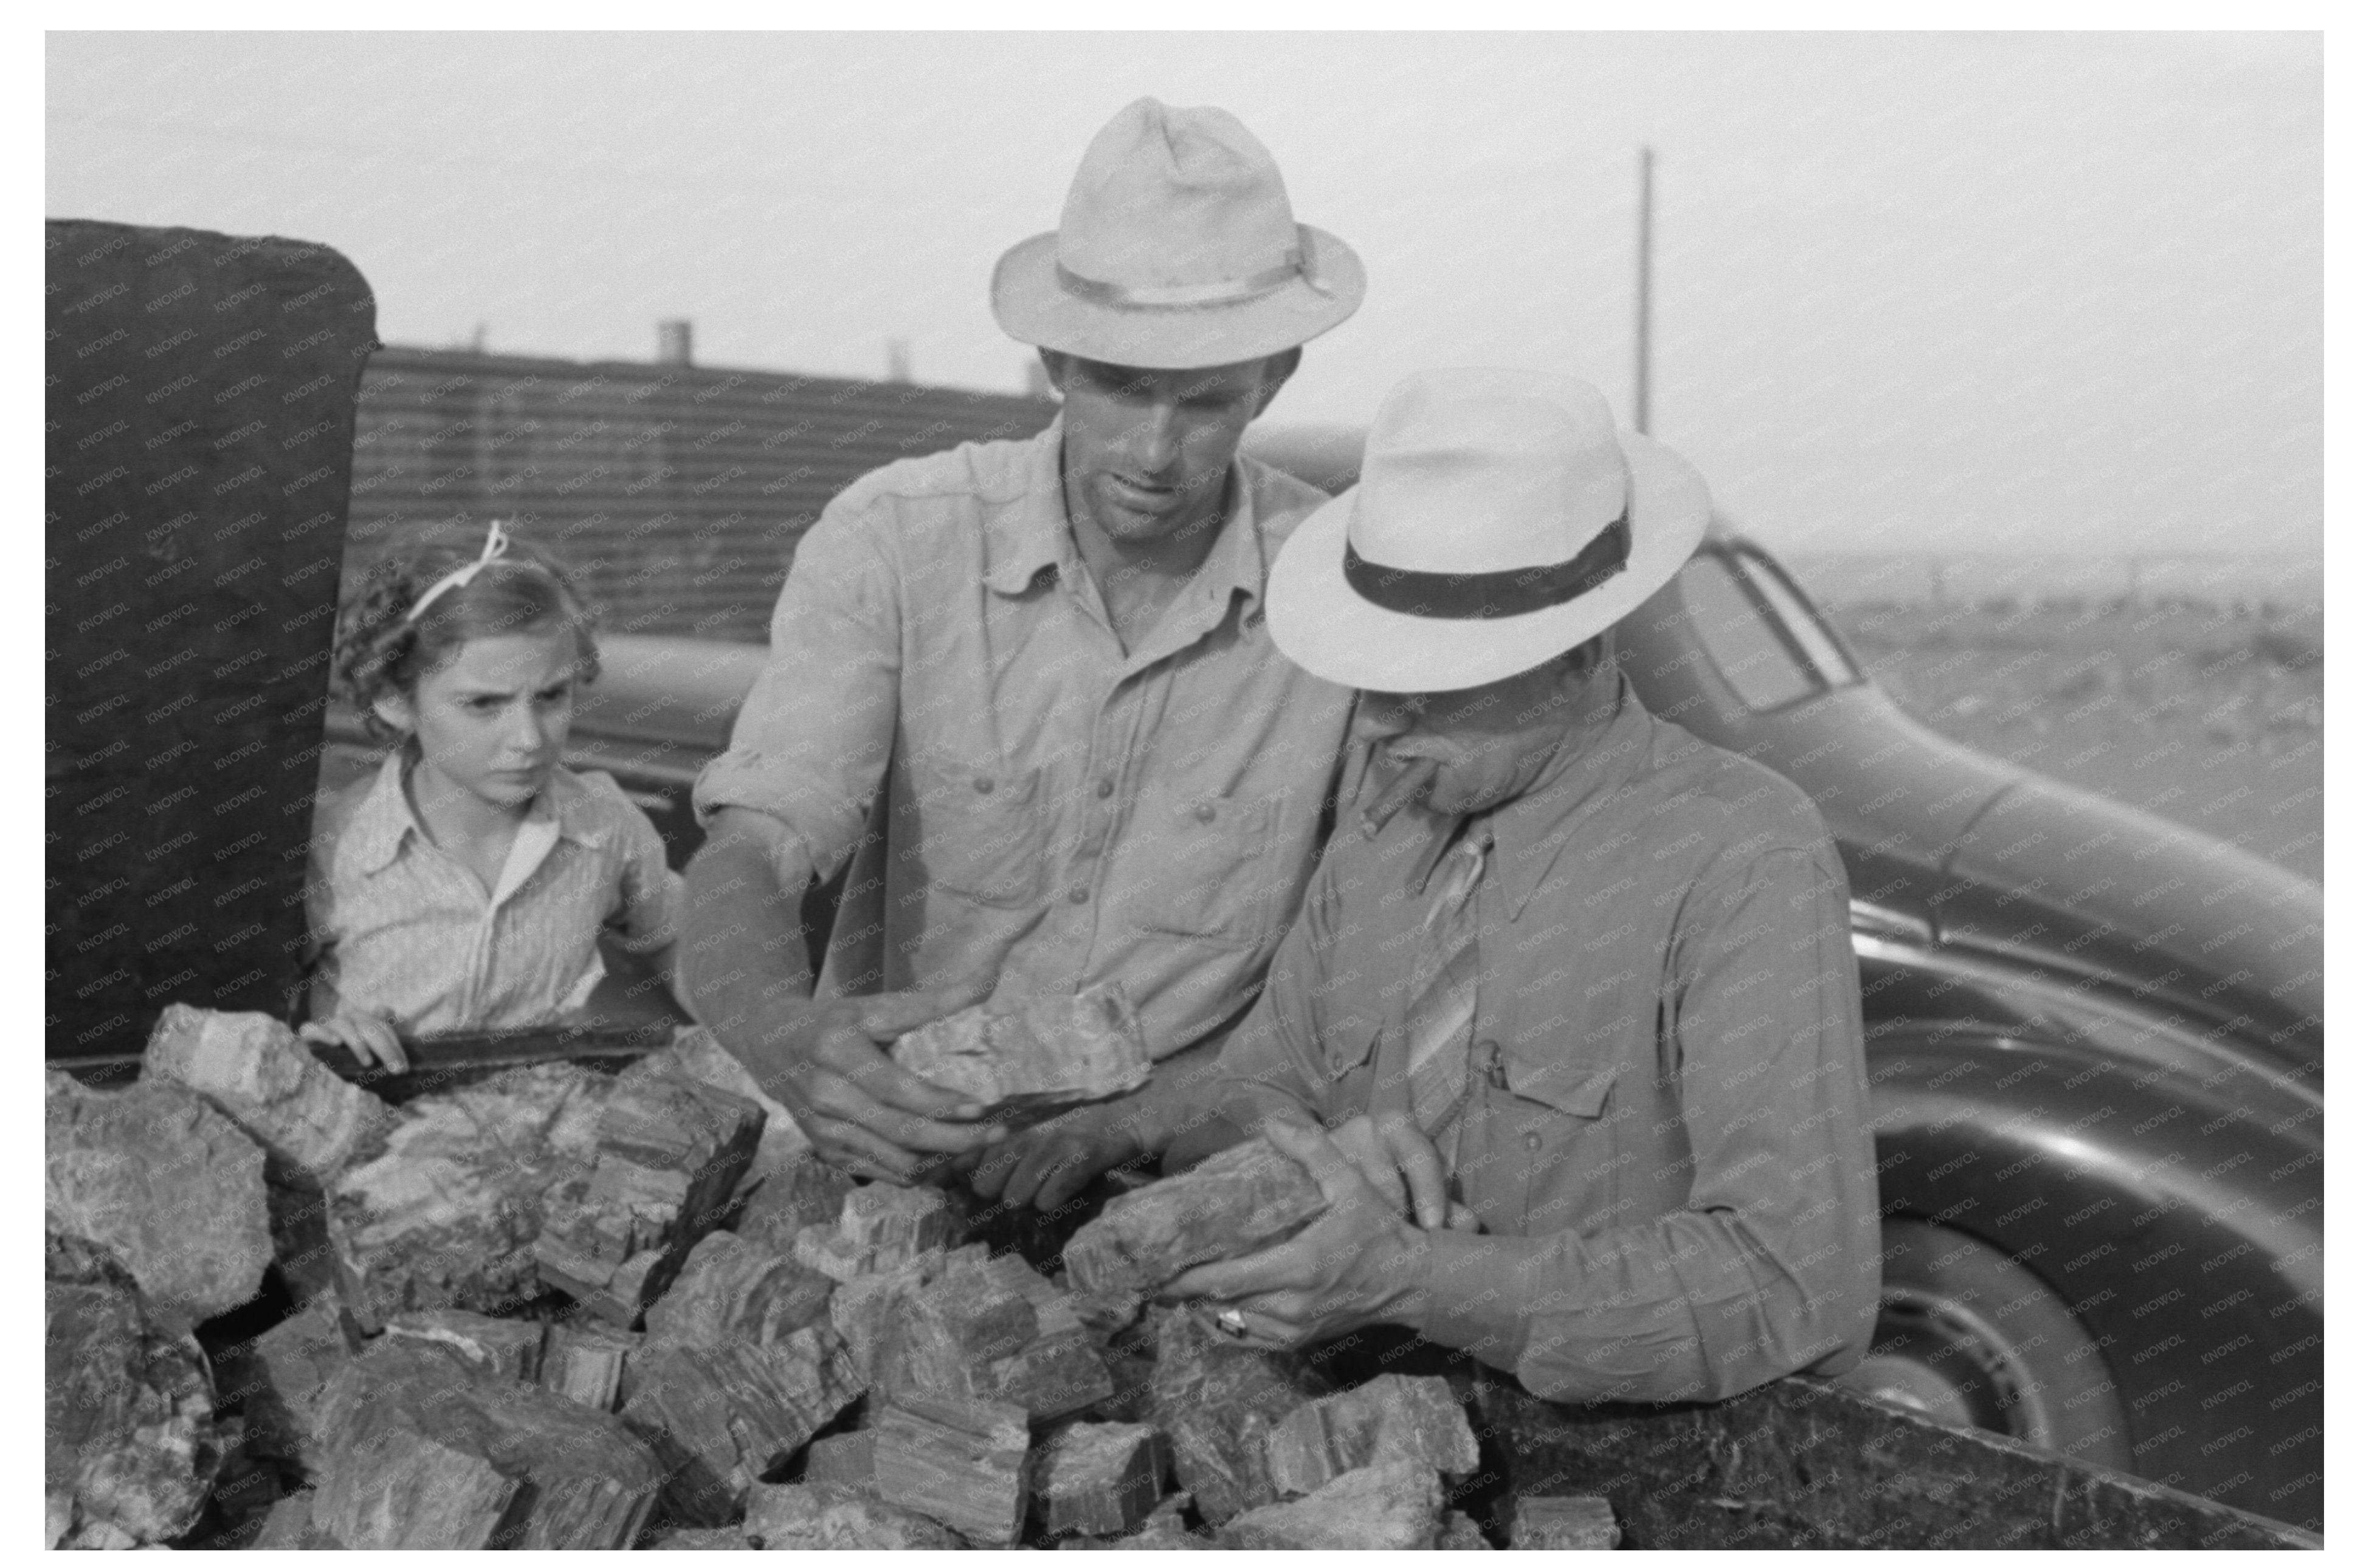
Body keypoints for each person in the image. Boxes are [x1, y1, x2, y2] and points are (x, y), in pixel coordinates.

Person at [1133, 368, 1881, 1403]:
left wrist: (1412, 1279)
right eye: (1367, 676)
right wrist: (1305, 1153)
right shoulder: (1390, 808)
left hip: (1620, 1458)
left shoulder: (1741, 857)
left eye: (1425, 684)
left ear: (1575, 653)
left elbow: (1794, 1288)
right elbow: (1255, 1089)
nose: (1374, 726)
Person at [681, 98, 1368, 1195]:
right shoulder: (897, 539)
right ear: (1055, 358)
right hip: (895, 1165)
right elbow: (753, 850)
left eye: (1203, 403)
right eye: (1121, 387)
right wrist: (780, 1035)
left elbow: (1360, 970)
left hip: (1183, 1187)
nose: (1153, 451)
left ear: (1274, 378)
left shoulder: (1340, 600)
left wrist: (1141, 1124)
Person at [302, 521, 685, 1072]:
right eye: (484, 704)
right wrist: (318, 1039)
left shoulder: (602, 823)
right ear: (393, 701)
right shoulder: (331, 847)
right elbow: (249, 1019)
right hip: (381, 1138)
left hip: (542, 1131)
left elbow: (679, 937)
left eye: (551, 696)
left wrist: (757, 1028)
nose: (529, 739)